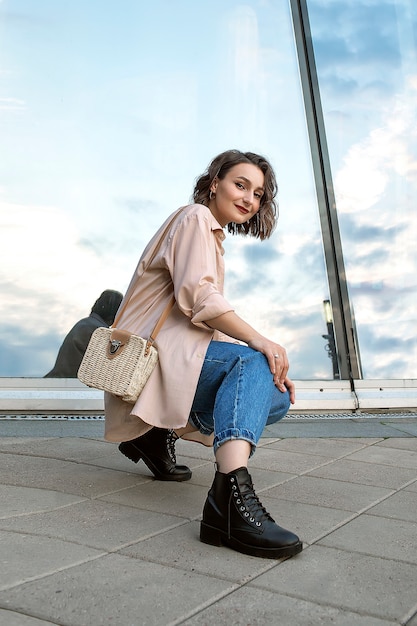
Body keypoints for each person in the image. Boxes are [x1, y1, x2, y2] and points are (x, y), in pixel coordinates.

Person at [104, 150, 303, 559]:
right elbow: (198, 298)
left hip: (175, 357)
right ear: (215, 183)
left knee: (275, 393)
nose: (249, 198)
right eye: (240, 184)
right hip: (153, 360)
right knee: (253, 363)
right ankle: (229, 497)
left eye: (259, 194)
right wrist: (259, 341)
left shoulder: (210, 233)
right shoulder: (195, 217)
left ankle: (157, 434)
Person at [45, 289, 123, 378]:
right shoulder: (97, 331)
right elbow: (109, 371)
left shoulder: (86, 324)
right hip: (71, 387)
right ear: (115, 312)